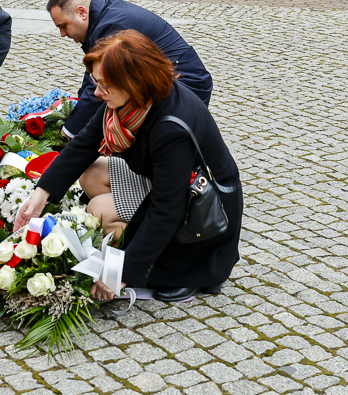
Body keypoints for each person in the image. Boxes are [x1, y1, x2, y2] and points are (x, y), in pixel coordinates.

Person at [14, 29, 239, 303]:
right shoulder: (129, 97)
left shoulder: (172, 127)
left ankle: (181, 269)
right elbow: (84, 144)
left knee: (99, 210)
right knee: (91, 172)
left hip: (202, 205)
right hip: (162, 180)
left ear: (133, 82)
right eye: (96, 82)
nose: (97, 93)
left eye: (104, 86)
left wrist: (122, 272)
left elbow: (167, 209)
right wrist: (41, 195)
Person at [45, 0, 213, 137]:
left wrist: (68, 133)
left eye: (63, 25)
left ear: (82, 13)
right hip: (170, 82)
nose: (62, 34)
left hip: (185, 86)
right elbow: (94, 81)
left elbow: (95, 89)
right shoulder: (104, 15)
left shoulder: (111, 27)